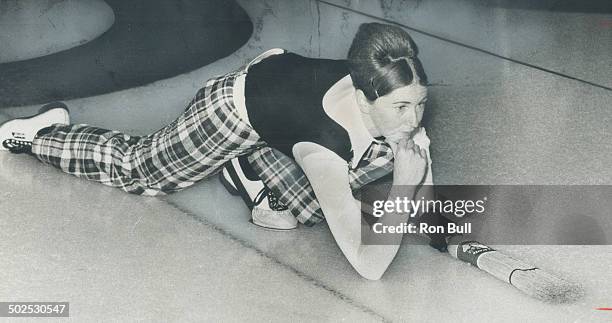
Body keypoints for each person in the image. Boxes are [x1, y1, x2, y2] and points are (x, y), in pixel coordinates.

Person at [0, 22, 441, 279]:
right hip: (237, 106)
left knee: (319, 203)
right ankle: (38, 135)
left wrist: (423, 187)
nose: (413, 118)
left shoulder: (386, 89)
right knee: (141, 174)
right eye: (401, 107)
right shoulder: (324, 148)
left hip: (288, 102)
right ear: (364, 99)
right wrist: (405, 185)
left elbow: (428, 205)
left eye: (420, 102)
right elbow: (369, 267)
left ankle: (250, 170)